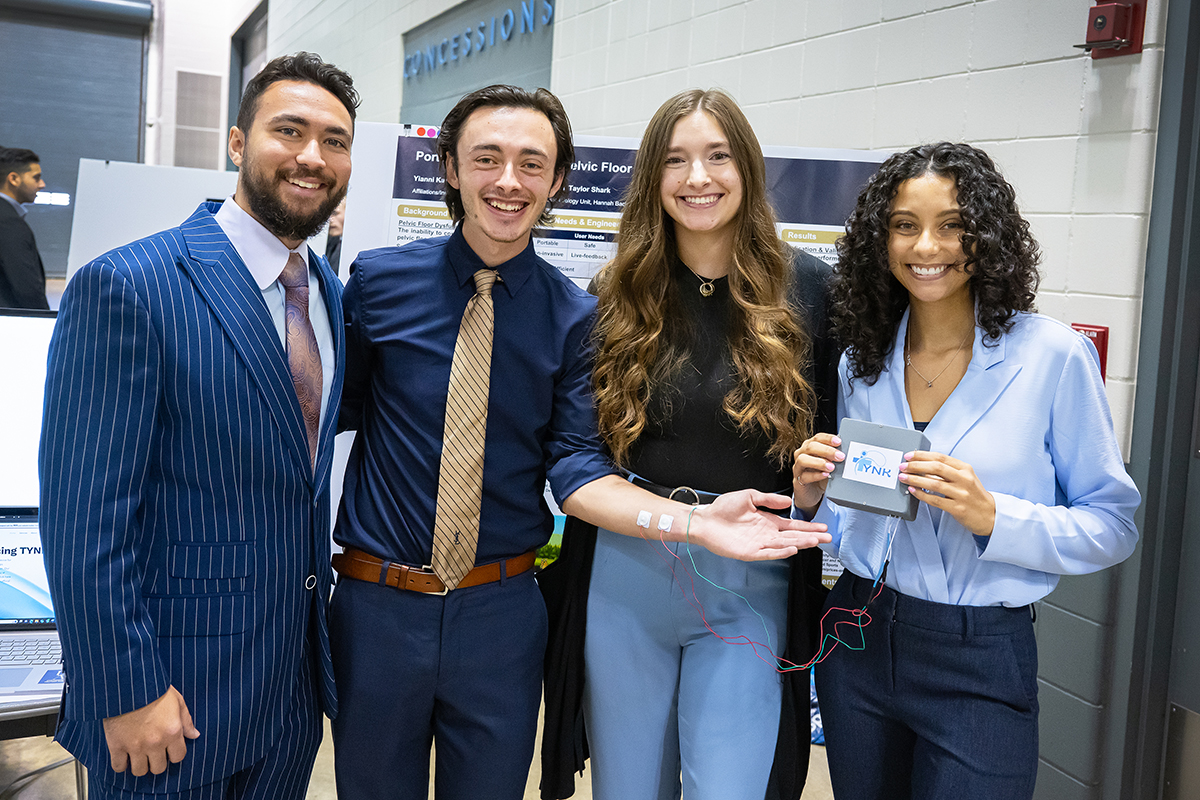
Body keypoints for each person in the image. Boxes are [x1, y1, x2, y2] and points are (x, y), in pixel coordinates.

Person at [330, 83, 829, 800]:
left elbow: (575, 460)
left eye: (532, 163)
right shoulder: (377, 284)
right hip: (381, 603)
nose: (509, 181)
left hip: (503, 609)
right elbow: (327, 421)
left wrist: (804, 491)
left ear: (559, 179)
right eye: (487, 159)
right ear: (449, 169)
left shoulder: (575, 316)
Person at [39, 52, 357, 800]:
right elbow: (85, 518)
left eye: (335, 141)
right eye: (290, 131)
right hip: (167, 703)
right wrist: (125, 688)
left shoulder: (328, 296)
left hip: (286, 700)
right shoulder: (131, 285)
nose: (313, 157)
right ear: (238, 143)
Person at [792, 141, 1141, 799]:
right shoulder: (861, 362)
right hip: (857, 635)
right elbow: (858, 517)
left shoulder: (1052, 358)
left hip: (978, 653)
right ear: (880, 240)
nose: (928, 246)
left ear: (986, 235)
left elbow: (1113, 524)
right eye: (905, 225)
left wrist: (995, 515)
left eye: (952, 225)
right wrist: (810, 498)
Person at [549, 88, 837, 800]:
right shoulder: (615, 290)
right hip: (625, 573)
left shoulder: (810, 289)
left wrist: (810, 491)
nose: (698, 178)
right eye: (676, 160)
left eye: (717, 156)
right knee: (629, 789)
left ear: (748, 169)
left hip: (750, 580)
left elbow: (839, 440)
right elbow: (580, 452)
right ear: (653, 178)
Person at [0, 147, 49, 309]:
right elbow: (26, 289)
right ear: (14, 179)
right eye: (36, 178)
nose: (42, 184)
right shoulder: (8, 222)